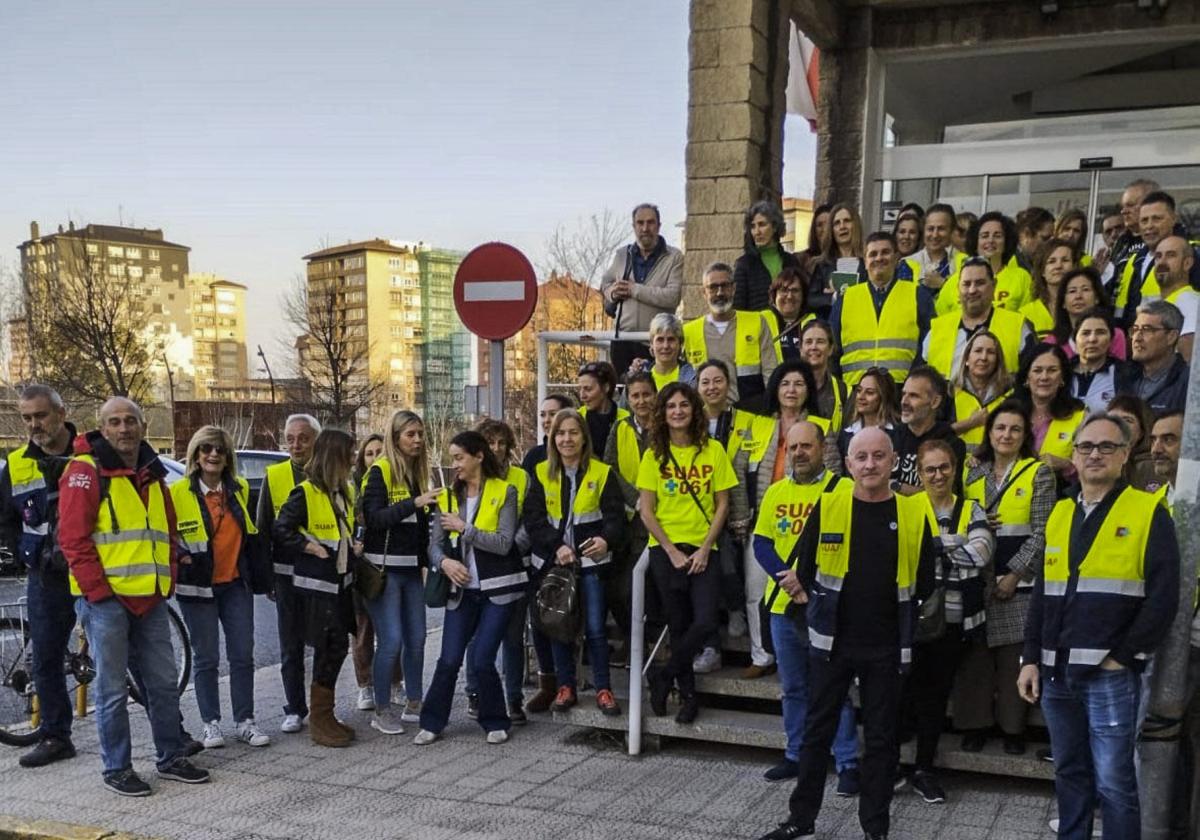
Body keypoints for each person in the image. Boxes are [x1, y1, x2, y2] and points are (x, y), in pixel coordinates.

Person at [757, 427, 935, 840]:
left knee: (880, 740)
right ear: (849, 463)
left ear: (892, 461)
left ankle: (875, 827)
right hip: (831, 644)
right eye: (862, 457)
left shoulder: (913, 512)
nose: (870, 464)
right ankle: (801, 820)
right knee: (817, 733)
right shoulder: (830, 503)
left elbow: (925, 580)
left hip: (888, 646)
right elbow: (803, 569)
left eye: (878, 456)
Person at [1018, 412, 1179, 840]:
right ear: (1074, 454)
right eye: (1086, 446)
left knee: (1114, 783)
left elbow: (1164, 598)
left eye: (1107, 446)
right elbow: (1042, 594)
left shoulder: (1147, 511)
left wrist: (1123, 658)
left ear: (1125, 455)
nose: (1095, 454)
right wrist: (1030, 658)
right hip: (1056, 673)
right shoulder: (1060, 512)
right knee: (1070, 772)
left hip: (1110, 676)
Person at [59, 397, 209, 795]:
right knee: (110, 691)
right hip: (108, 601)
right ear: (102, 428)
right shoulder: (85, 471)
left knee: (162, 684)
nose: (124, 428)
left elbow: (167, 533)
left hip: (152, 598)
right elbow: (72, 539)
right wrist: (98, 592)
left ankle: (171, 756)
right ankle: (117, 768)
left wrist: (170, 574)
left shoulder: (153, 474)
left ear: (142, 425)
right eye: (115, 422)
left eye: (130, 421)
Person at [752, 421, 860, 790]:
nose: (798, 453)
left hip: (827, 608)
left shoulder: (844, 490)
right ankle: (795, 754)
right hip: (784, 607)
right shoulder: (775, 492)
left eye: (806, 447)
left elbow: (850, 547)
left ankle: (847, 762)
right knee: (794, 687)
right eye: (792, 447)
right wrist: (790, 578)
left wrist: (806, 579)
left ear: (822, 449)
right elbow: (762, 544)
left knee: (833, 688)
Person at [955, 401, 1055, 756]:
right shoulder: (972, 474)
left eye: (1014, 428)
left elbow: (1043, 531)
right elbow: (961, 519)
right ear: (989, 433)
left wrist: (1015, 574)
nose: (1006, 435)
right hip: (976, 579)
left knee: (1014, 656)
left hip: (1019, 582)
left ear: (1025, 434)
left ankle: (1013, 730)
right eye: (1000, 428)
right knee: (977, 659)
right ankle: (976, 725)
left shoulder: (1038, 472)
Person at [899, 440, 993, 803]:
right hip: (913, 618)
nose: (938, 475)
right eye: (930, 469)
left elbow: (982, 552)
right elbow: (900, 555)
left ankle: (924, 769)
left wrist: (932, 547)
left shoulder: (971, 507)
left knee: (935, 698)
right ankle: (893, 765)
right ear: (919, 474)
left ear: (955, 470)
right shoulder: (908, 507)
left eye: (944, 468)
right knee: (902, 695)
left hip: (956, 622)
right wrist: (954, 545)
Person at [416, 431, 523, 746]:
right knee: (448, 659)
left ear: (479, 455)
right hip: (460, 591)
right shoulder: (447, 497)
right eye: (452, 459)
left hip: (498, 590)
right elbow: (433, 547)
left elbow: (504, 544)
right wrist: (445, 565)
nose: (455, 465)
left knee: (481, 659)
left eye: (459, 457)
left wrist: (465, 529)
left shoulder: (506, 491)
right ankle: (432, 722)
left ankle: (495, 721)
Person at [639, 383, 737, 724]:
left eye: (684, 405)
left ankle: (662, 675)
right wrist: (670, 550)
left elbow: (723, 503)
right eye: (671, 406)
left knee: (706, 621)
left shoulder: (713, 450)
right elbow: (646, 511)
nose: (678, 411)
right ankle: (688, 697)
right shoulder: (654, 455)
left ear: (695, 409)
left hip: (703, 548)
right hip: (666, 551)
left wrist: (706, 547)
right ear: (662, 414)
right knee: (678, 625)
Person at [172, 426, 270, 750]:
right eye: (206, 449)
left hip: (235, 585)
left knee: (242, 654)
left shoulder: (239, 489)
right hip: (198, 588)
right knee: (207, 658)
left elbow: (252, 533)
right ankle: (210, 724)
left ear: (228, 457)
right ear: (196, 455)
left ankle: (245, 721)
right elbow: (166, 535)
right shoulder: (178, 493)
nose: (213, 454)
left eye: (220, 449)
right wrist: (181, 556)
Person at [526, 409, 626, 715]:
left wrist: (606, 540)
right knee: (559, 627)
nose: (566, 439)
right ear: (552, 438)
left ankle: (603, 689)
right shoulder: (541, 472)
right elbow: (534, 520)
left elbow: (616, 519)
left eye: (573, 433)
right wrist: (557, 547)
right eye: (560, 433)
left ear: (584, 437)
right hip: (553, 565)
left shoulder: (602, 472)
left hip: (591, 563)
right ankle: (565, 686)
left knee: (595, 629)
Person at [0, 385, 79, 767]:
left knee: (131, 651)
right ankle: (55, 736)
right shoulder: (16, 464)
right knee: (46, 656)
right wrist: (23, 553)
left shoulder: (91, 454)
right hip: (47, 576)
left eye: (41, 415)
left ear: (61, 413)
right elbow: (7, 518)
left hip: (94, 568)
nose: (34, 424)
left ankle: (171, 730)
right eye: (27, 418)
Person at [736, 361, 830, 679]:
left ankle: (806, 651)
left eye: (799, 384)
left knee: (810, 588)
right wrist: (739, 515)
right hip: (763, 520)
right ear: (775, 389)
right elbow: (738, 470)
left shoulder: (822, 426)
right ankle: (762, 656)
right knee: (757, 591)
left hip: (809, 526)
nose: (791, 390)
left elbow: (834, 478)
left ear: (809, 390)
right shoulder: (758, 425)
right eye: (785, 383)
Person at [273, 428, 359, 748]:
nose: (353, 459)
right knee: (329, 648)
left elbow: (339, 533)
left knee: (336, 648)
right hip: (317, 588)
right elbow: (281, 528)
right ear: (334, 456)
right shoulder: (306, 492)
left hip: (339, 586)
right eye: (349, 453)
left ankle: (326, 714)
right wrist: (310, 548)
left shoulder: (341, 492)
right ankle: (319, 721)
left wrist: (352, 546)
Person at [360, 410, 439, 735]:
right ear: (395, 438)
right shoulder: (380, 471)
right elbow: (374, 519)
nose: (418, 439)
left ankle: (414, 703)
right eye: (410, 434)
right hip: (383, 567)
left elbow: (420, 529)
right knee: (390, 640)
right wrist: (414, 502)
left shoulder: (418, 473)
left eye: (420, 433)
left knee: (417, 639)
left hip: (410, 569)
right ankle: (381, 709)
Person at [257, 413, 321, 733]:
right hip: (287, 574)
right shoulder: (275, 475)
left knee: (325, 643)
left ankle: (324, 707)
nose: (296, 445)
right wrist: (267, 575)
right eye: (291, 439)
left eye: (304, 438)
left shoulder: (330, 475)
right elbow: (264, 526)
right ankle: (295, 707)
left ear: (316, 441)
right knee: (290, 645)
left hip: (323, 575)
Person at [831, 231, 935, 387]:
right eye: (873, 254)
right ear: (865, 262)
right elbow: (832, 348)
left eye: (885, 252)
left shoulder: (918, 295)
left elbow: (929, 345)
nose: (879, 258)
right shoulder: (846, 298)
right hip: (856, 390)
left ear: (896, 258)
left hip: (901, 390)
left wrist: (913, 383)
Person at [600, 202, 684, 375]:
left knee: (656, 396)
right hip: (622, 341)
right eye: (640, 223)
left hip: (657, 342)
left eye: (650, 222)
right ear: (634, 226)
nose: (645, 228)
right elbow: (605, 285)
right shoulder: (622, 254)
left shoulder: (674, 257)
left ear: (659, 226)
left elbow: (672, 296)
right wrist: (613, 293)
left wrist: (634, 290)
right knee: (625, 395)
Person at [921, 256, 1034, 381]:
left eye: (980, 283)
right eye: (966, 284)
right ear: (958, 288)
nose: (972, 290)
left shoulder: (1016, 326)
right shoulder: (937, 329)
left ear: (994, 285)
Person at [682, 261, 778, 408]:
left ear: (733, 288)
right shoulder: (688, 331)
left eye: (724, 286)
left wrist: (773, 407)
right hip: (705, 415)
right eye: (713, 287)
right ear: (704, 292)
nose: (720, 292)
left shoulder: (756, 322)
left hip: (750, 411)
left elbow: (770, 371)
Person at [350, 434, 400, 712]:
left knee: (393, 629)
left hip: (389, 563)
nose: (375, 457)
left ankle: (396, 683)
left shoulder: (395, 484)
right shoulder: (351, 489)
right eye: (369, 453)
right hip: (361, 567)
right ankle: (365, 686)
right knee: (362, 630)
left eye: (380, 452)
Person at [1016, 343, 1086, 484]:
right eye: (1037, 370)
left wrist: (1066, 465)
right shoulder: (1009, 412)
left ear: (1062, 378)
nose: (1044, 377)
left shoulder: (1079, 416)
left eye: (1052, 370)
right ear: (1026, 378)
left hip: (1061, 495)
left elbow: (1090, 467)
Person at [937, 212, 1033, 314]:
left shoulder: (1021, 278)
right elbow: (940, 320)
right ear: (976, 242)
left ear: (1006, 242)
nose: (990, 240)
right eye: (984, 236)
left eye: (997, 236)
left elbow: (1028, 320)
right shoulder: (955, 281)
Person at [891, 366, 966, 495]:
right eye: (904, 394)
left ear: (935, 402)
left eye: (913, 396)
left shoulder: (951, 444)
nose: (904, 401)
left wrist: (896, 486)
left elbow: (943, 495)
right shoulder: (889, 439)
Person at [1115, 190, 1182, 325]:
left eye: (1157, 219)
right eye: (1144, 220)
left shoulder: (1190, 254)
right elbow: (1120, 312)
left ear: (1174, 219)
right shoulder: (1133, 261)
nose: (1149, 226)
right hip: (1134, 341)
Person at [948, 330, 1013, 450]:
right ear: (967, 358)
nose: (984, 357)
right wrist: (971, 423)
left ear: (998, 360)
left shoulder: (1009, 393)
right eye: (978, 351)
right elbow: (937, 433)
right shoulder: (949, 391)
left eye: (991, 352)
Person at [735, 199, 803, 313]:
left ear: (775, 226)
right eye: (752, 226)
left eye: (762, 225)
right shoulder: (744, 264)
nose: (757, 232)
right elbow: (738, 306)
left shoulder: (791, 261)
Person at [828, 367, 900, 475]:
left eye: (869, 392)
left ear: (883, 397)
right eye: (859, 390)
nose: (861, 397)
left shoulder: (898, 434)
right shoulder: (845, 435)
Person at [1050, 266, 1128, 360]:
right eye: (1072, 291)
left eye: (1085, 289)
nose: (1078, 296)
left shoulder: (1116, 336)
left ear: (1097, 298)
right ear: (1063, 302)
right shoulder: (1051, 342)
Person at [1129, 299, 1190, 414]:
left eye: (1147, 330)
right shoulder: (1124, 377)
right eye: (1135, 330)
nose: (1137, 338)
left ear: (1171, 337)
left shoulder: (1188, 382)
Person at [1068, 309, 1136, 413]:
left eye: (1100, 333)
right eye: (1085, 333)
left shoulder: (1125, 373)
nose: (1092, 339)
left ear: (1111, 340)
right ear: (1074, 341)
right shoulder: (1062, 372)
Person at [1149, 234, 1199, 361]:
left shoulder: (1192, 303)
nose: (1162, 262)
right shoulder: (1166, 303)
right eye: (1158, 256)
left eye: (1171, 255)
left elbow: (1189, 358)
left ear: (1187, 263)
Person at [810, 203, 868, 303]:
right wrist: (834, 297)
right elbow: (811, 300)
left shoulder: (868, 261)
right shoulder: (822, 264)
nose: (842, 227)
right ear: (831, 230)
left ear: (856, 224)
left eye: (847, 221)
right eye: (837, 223)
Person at [1020, 238, 1076, 338]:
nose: (1058, 266)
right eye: (1051, 261)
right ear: (1042, 271)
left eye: (1065, 260)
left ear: (1074, 267)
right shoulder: (1026, 313)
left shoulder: (1083, 308)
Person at [800, 320, 850, 429]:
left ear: (831, 349)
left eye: (820, 342)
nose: (814, 347)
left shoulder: (844, 391)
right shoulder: (787, 388)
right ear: (801, 349)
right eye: (808, 342)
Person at [910, 203, 966, 297]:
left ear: (951, 231)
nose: (935, 235)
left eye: (941, 229)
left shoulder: (964, 262)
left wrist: (943, 284)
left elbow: (971, 298)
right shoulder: (907, 264)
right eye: (930, 229)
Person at [577, 361, 628, 457]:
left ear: (606, 387)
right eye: (580, 389)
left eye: (588, 389)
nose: (582, 396)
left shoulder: (626, 420)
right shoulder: (577, 418)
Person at [1106, 394, 1157, 490]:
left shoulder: (1150, 467)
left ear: (1142, 432)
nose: (1119, 424)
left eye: (1127, 420)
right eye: (1112, 419)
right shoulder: (1094, 460)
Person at [763, 267, 814, 362]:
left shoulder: (814, 323)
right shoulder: (761, 321)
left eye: (795, 291)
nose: (789, 296)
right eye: (784, 290)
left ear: (803, 295)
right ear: (774, 295)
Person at [637, 311, 695, 390]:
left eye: (671, 339)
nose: (665, 346)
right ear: (651, 343)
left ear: (680, 343)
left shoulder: (693, 378)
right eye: (660, 340)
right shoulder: (638, 378)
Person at [521, 394, 574, 475]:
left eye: (552, 414)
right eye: (543, 415)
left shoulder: (580, 455)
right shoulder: (534, 456)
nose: (546, 420)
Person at [798, 204, 833, 318]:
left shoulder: (841, 259)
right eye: (819, 225)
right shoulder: (802, 259)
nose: (824, 229)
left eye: (827, 224)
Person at [1015, 207, 1055, 272]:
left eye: (1051, 239)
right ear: (1027, 234)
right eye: (1045, 239)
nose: (1049, 244)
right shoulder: (1006, 261)